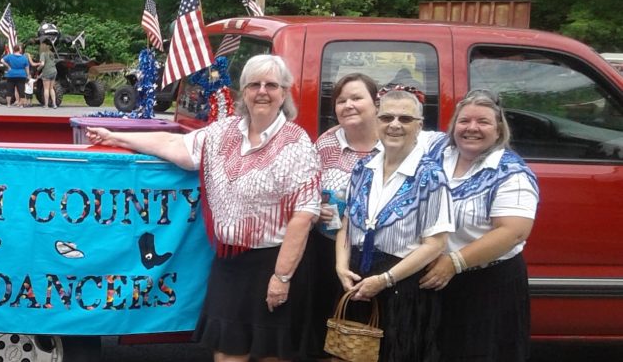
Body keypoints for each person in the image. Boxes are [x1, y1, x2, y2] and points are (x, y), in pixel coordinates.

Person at [86, 55, 321, 362]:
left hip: (275, 264)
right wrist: (116, 136)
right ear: (244, 92)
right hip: (230, 263)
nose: (262, 91)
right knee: (226, 354)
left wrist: (282, 277)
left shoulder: (297, 144)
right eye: (254, 84)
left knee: (271, 355)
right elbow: (174, 147)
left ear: (284, 93)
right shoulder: (223, 132)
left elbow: (303, 215)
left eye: (271, 85)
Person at [422, 89, 539, 361]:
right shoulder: (437, 150)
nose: (471, 128)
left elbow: (513, 232)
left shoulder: (511, 173)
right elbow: (391, 129)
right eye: (464, 121)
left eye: (483, 122)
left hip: (486, 287)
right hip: (436, 280)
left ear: (498, 130)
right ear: (453, 126)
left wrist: (454, 262)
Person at [336, 89, 452, 362]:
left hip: (402, 289)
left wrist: (385, 280)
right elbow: (346, 225)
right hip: (358, 284)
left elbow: (436, 244)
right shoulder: (362, 168)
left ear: (419, 126)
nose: (395, 125)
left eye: (405, 118)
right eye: (387, 117)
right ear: (376, 121)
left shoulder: (431, 176)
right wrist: (340, 267)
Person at [303, 73, 381, 360]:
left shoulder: (392, 145)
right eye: (341, 100)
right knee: (324, 328)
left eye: (357, 98)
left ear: (376, 103)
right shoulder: (326, 142)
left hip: (370, 255)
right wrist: (315, 207)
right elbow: (307, 186)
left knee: (362, 335)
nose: (348, 105)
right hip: (324, 250)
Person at [36, 43, 59, 109]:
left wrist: (38, 68)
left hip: (47, 72)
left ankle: (46, 105)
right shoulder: (51, 54)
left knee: (46, 89)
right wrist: (40, 75)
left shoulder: (43, 54)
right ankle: (54, 104)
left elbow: (42, 64)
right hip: (54, 71)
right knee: (51, 88)